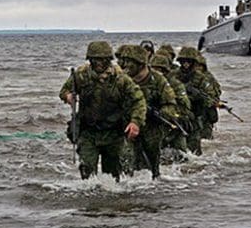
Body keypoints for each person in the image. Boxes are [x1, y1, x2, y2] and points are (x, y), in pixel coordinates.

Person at [59, 41, 146, 180]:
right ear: (90, 59)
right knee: (86, 172)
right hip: (88, 131)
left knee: (112, 176)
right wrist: (68, 96)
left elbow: (138, 100)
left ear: (109, 60)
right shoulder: (81, 75)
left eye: (103, 60)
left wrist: (135, 122)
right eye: (95, 60)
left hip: (113, 132)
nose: (99, 63)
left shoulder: (121, 78)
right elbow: (64, 90)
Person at [115, 44, 177, 179]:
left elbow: (170, 105)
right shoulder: (121, 80)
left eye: (129, 62)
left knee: (152, 167)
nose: (125, 65)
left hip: (151, 128)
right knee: (126, 161)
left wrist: (158, 114)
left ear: (140, 64)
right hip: (128, 127)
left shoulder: (158, 80)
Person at [171, 47, 219, 155]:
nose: (186, 64)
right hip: (177, 117)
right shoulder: (172, 76)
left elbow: (211, 97)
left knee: (195, 152)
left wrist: (198, 96)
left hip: (195, 118)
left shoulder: (201, 78)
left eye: (189, 61)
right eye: (183, 61)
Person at [151, 54, 192, 159]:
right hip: (155, 125)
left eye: (159, 69)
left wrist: (169, 112)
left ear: (165, 71)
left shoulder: (175, 85)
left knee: (182, 157)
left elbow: (185, 106)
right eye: (153, 69)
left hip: (175, 125)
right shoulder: (148, 84)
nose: (156, 73)